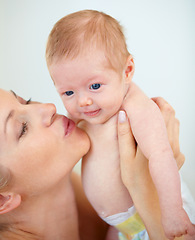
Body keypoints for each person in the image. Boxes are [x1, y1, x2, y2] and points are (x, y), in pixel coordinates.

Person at [45, 10, 195, 239]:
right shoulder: (86, 110)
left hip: (157, 210)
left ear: (127, 71)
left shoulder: (135, 105)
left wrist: (172, 211)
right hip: (124, 224)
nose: (83, 101)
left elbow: (162, 155)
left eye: (95, 86)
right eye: (68, 92)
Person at [0, 88, 194, 240]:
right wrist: (147, 191)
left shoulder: (89, 172)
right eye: (22, 129)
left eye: (26, 101)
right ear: (3, 200)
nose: (48, 107)